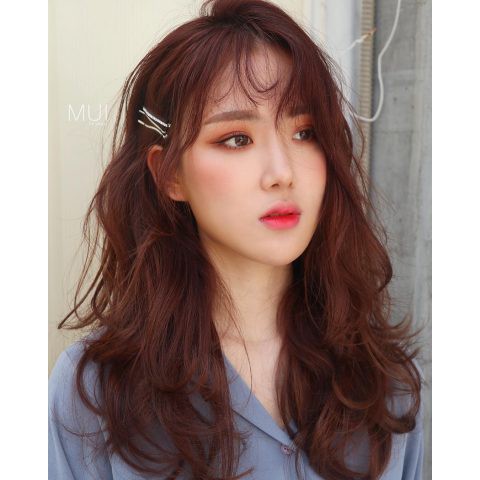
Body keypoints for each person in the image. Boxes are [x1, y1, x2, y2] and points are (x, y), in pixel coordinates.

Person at [48, 0, 424, 479]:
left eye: (305, 132)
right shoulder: (93, 395)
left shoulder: (387, 384)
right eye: (236, 139)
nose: (282, 172)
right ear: (169, 174)